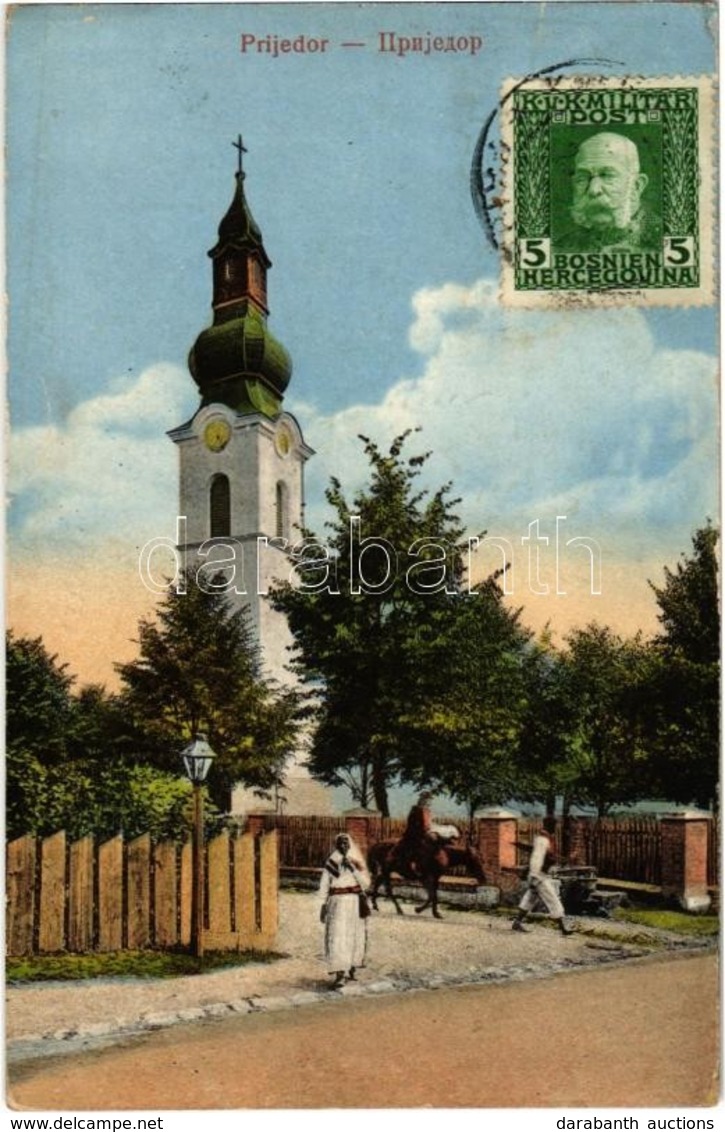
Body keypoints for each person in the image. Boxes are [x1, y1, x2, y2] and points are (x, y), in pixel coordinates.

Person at [560, 131, 659, 253]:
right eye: (583, 178)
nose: (593, 190)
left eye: (607, 175)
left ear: (637, 186)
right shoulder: (562, 247)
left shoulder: (664, 241)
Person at [318, 832, 371, 989]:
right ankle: (340, 974)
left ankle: (352, 967)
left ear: (350, 845)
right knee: (337, 936)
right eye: (340, 844)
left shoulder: (357, 861)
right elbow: (324, 885)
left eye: (346, 843)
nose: (343, 846)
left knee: (354, 935)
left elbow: (366, 883)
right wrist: (322, 905)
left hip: (354, 903)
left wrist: (353, 868)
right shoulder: (332, 862)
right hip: (337, 904)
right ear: (336, 845)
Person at [511, 817, 574, 936]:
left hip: (538, 874)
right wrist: (535, 875)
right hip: (538, 875)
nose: (555, 829)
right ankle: (563, 927)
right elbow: (537, 858)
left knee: (530, 898)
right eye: (554, 826)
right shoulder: (543, 840)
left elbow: (546, 856)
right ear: (550, 826)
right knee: (552, 898)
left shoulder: (544, 838)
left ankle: (517, 922)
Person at [397, 791, 459, 877]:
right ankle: (418, 865)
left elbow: (428, 823)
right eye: (426, 800)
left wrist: (432, 826)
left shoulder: (427, 810)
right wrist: (425, 829)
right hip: (414, 833)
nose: (428, 802)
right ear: (421, 800)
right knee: (431, 838)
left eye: (429, 800)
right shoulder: (416, 809)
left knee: (447, 832)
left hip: (424, 830)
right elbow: (413, 823)